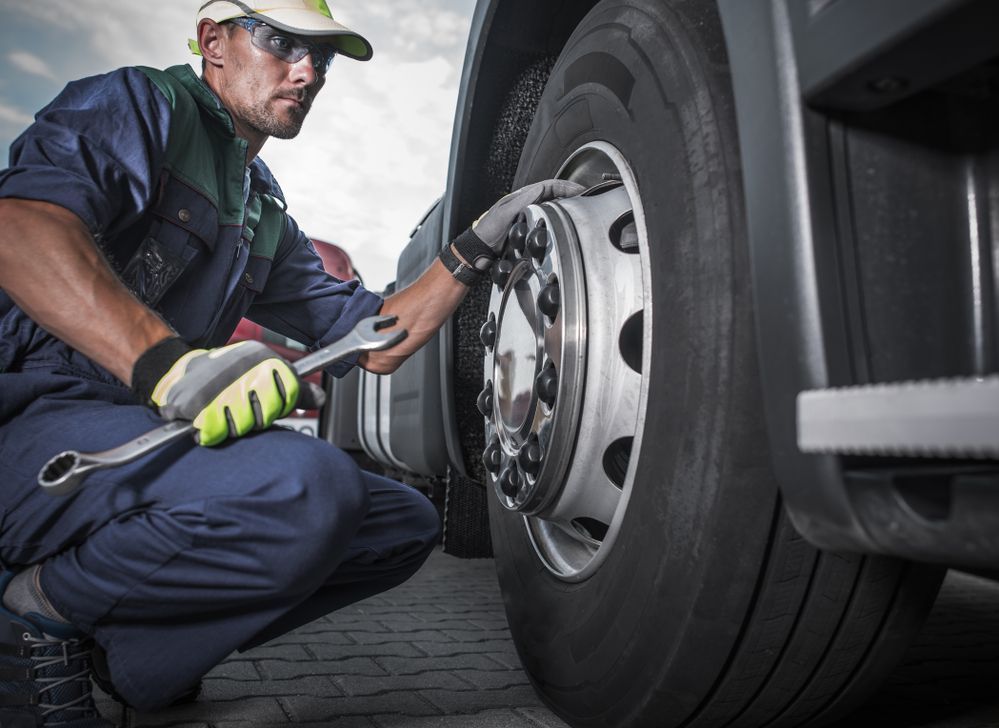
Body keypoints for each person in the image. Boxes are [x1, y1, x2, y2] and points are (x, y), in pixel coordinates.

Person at [0, 1, 582, 724]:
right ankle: (37, 611)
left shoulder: (263, 211)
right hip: (34, 428)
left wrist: (476, 245)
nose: (307, 72)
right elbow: (20, 230)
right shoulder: (139, 105)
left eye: (323, 59)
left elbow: (377, 339)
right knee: (306, 489)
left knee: (394, 525)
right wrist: (171, 367)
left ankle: (126, 653)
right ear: (214, 42)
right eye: (281, 42)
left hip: (135, 438)